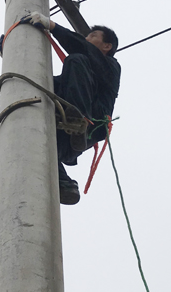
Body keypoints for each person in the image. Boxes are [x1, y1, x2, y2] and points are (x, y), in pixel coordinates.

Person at [23, 12, 121, 205]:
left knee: (76, 59)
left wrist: (53, 26)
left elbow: (82, 48)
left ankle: (78, 119)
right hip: (70, 138)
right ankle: (66, 184)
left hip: (90, 124)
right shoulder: (75, 79)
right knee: (41, 145)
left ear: (107, 46)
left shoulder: (111, 67)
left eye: (93, 36)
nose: (87, 39)